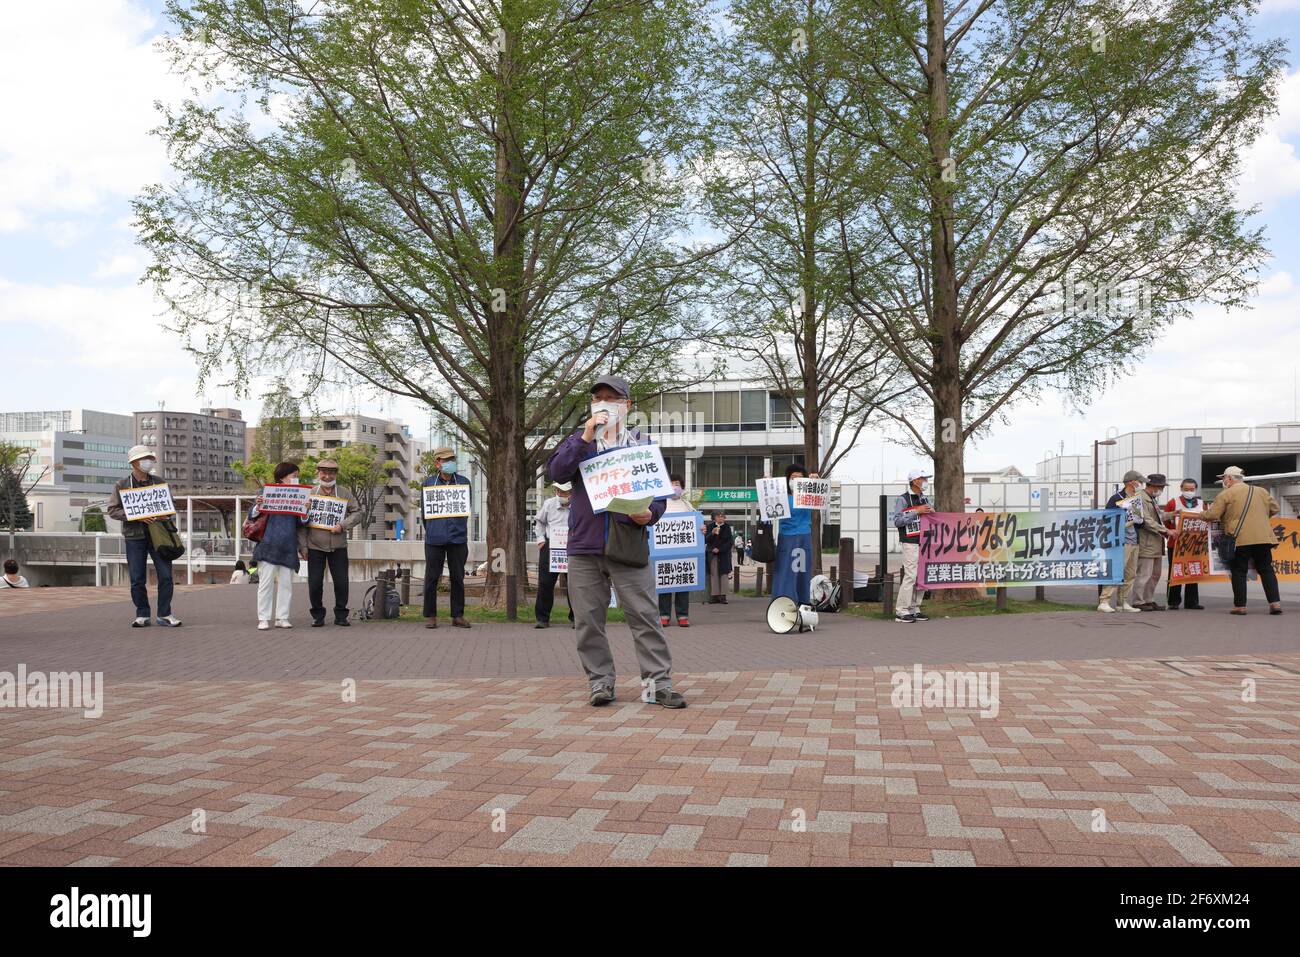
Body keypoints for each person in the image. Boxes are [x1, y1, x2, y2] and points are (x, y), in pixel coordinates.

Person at [547, 373, 685, 709]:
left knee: (644, 616)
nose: (604, 404)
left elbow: (659, 495)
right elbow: (557, 472)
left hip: (628, 544)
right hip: (583, 547)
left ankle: (658, 685)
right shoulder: (579, 441)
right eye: (598, 399)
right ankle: (600, 683)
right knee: (588, 620)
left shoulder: (641, 445)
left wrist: (650, 514)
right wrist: (584, 436)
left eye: (612, 398)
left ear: (627, 404)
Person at [106, 444, 182, 628]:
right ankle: (142, 613)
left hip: (159, 535)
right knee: (137, 578)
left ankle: (165, 613)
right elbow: (113, 510)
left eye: (149, 458)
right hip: (134, 536)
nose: (148, 462)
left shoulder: (159, 482)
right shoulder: (122, 485)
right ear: (134, 463)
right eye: (144, 459)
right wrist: (136, 516)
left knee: (166, 576)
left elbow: (170, 507)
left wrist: (166, 513)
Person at [1191, 466, 1282, 615]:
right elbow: (1275, 508)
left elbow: (1212, 514)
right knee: (1266, 569)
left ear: (1230, 478)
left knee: (1239, 570)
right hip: (1264, 538)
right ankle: (1275, 603)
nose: (1223, 481)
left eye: (1224, 478)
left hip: (1240, 538)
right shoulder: (1261, 491)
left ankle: (1240, 606)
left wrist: (1200, 514)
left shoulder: (1226, 494)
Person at [299, 458, 363, 627]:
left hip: (338, 545)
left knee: (341, 582)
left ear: (336, 474)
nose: (327, 476)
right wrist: (303, 546)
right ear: (318, 473)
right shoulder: (310, 493)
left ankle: (341, 614)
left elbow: (357, 513)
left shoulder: (345, 493)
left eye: (331, 472)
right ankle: (317, 614)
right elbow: (301, 523)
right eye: (324, 472)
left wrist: (343, 525)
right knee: (314, 583)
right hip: (314, 545)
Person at [250, 461, 308, 630]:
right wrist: (258, 505)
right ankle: (263, 618)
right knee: (265, 583)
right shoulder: (266, 491)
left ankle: (282, 617)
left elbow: (302, 521)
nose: (296, 479)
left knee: (286, 584)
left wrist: (305, 511)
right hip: (268, 544)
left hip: (288, 546)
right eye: (294, 476)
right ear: (283, 476)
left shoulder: (299, 494)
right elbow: (253, 514)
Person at [422, 447, 472, 629]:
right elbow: (425, 514)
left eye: (452, 459)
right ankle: (430, 615)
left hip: (458, 539)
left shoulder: (464, 483)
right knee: (431, 578)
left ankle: (457, 615)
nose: (449, 462)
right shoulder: (428, 484)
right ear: (437, 463)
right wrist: (434, 530)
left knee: (458, 578)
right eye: (445, 460)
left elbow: (466, 510)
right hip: (434, 539)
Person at [1098, 470, 1147, 614]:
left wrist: (1139, 520)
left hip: (1134, 540)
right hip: (1120, 541)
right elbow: (1108, 518)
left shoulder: (1137, 499)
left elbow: (1140, 522)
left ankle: (1122, 602)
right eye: (1140, 482)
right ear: (1132, 482)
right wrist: (1127, 517)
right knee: (1117, 571)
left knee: (1130, 574)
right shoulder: (1116, 498)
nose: (1141, 485)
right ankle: (1104, 601)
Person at [891, 468, 933, 623]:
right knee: (911, 575)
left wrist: (931, 512)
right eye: (923, 478)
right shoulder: (902, 499)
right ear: (915, 481)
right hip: (910, 542)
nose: (926, 481)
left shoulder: (925, 499)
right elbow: (897, 521)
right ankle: (902, 610)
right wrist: (916, 511)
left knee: (921, 576)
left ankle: (915, 608)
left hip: (924, 542)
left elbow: (930, 517)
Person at [1131, 474, 1178, 611]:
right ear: (1151, 486)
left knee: (1155, 574)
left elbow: (1157, 517)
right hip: (1146, 542)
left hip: (1155, 543)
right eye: (1160, 486)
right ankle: (1138, 601)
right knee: (1144, 574)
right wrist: (1166, 531)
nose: (1162, 489)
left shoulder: (1152, 499)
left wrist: (1172, 514)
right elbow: (1146, 520)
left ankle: (1149, 599)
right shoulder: (1140, 498)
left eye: (1162, 487)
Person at [773, 463, 817, 608]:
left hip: (804, 538)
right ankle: (781, 601)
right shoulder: (781, 496)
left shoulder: (808, 496)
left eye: (800, 478)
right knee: (785, 571)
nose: (796, 481)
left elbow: (820, 496)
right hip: (786, 538)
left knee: (802, 571)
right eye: (793, 478)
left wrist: (815, 481)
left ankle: (803, 602)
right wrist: (768, 485)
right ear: (788, 479)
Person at [533, 480, 575, 629]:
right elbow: (539, 522)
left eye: (563, 492)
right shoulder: (549, 504)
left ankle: (576, 617)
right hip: (551, 546)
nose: (560, 494)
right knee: (545, 583)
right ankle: (542, 618)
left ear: (571, 493)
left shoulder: (578, 505)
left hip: (573, 547)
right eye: (557, 491)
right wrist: (540, 540)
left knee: (575, 584)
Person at [658, 474, 693, 627]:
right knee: (665, 582)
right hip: (664, 551)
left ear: (682, 487)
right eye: (671, 483)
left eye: (677, 483)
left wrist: (702, 529)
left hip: (684, 551)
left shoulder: (687, 505)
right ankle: (663, 614)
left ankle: (682, 615)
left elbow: (697, 524)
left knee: (682, 582)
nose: (674, 486)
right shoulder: (660, 504)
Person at [1164, 478, 1205, 610]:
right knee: (1175, 572)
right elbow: (1165, 522)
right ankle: (1173, 601)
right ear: (1181, 489)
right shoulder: (1173, 502)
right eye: (1186, 489)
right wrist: (1171, 531)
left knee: (1193, 570)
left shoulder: (1201, 504)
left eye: (1192, 489)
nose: (1189, 491)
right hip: (1176, 544)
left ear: (1196, 489)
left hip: (1195, 544)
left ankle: (1192, 602)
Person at [706, 509, 734, 604]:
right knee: (714, 574)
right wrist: (712, 533)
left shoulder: (727, 527)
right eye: (718, 516)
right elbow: (706, 540)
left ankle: (723, 596)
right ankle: (714, 595)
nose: (721, 518)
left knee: (724, 574)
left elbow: (730, 542)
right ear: (714, 518)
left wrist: (720, 549)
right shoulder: (710, 526)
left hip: (724, 554)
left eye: (722, 516)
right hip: (712, 554)